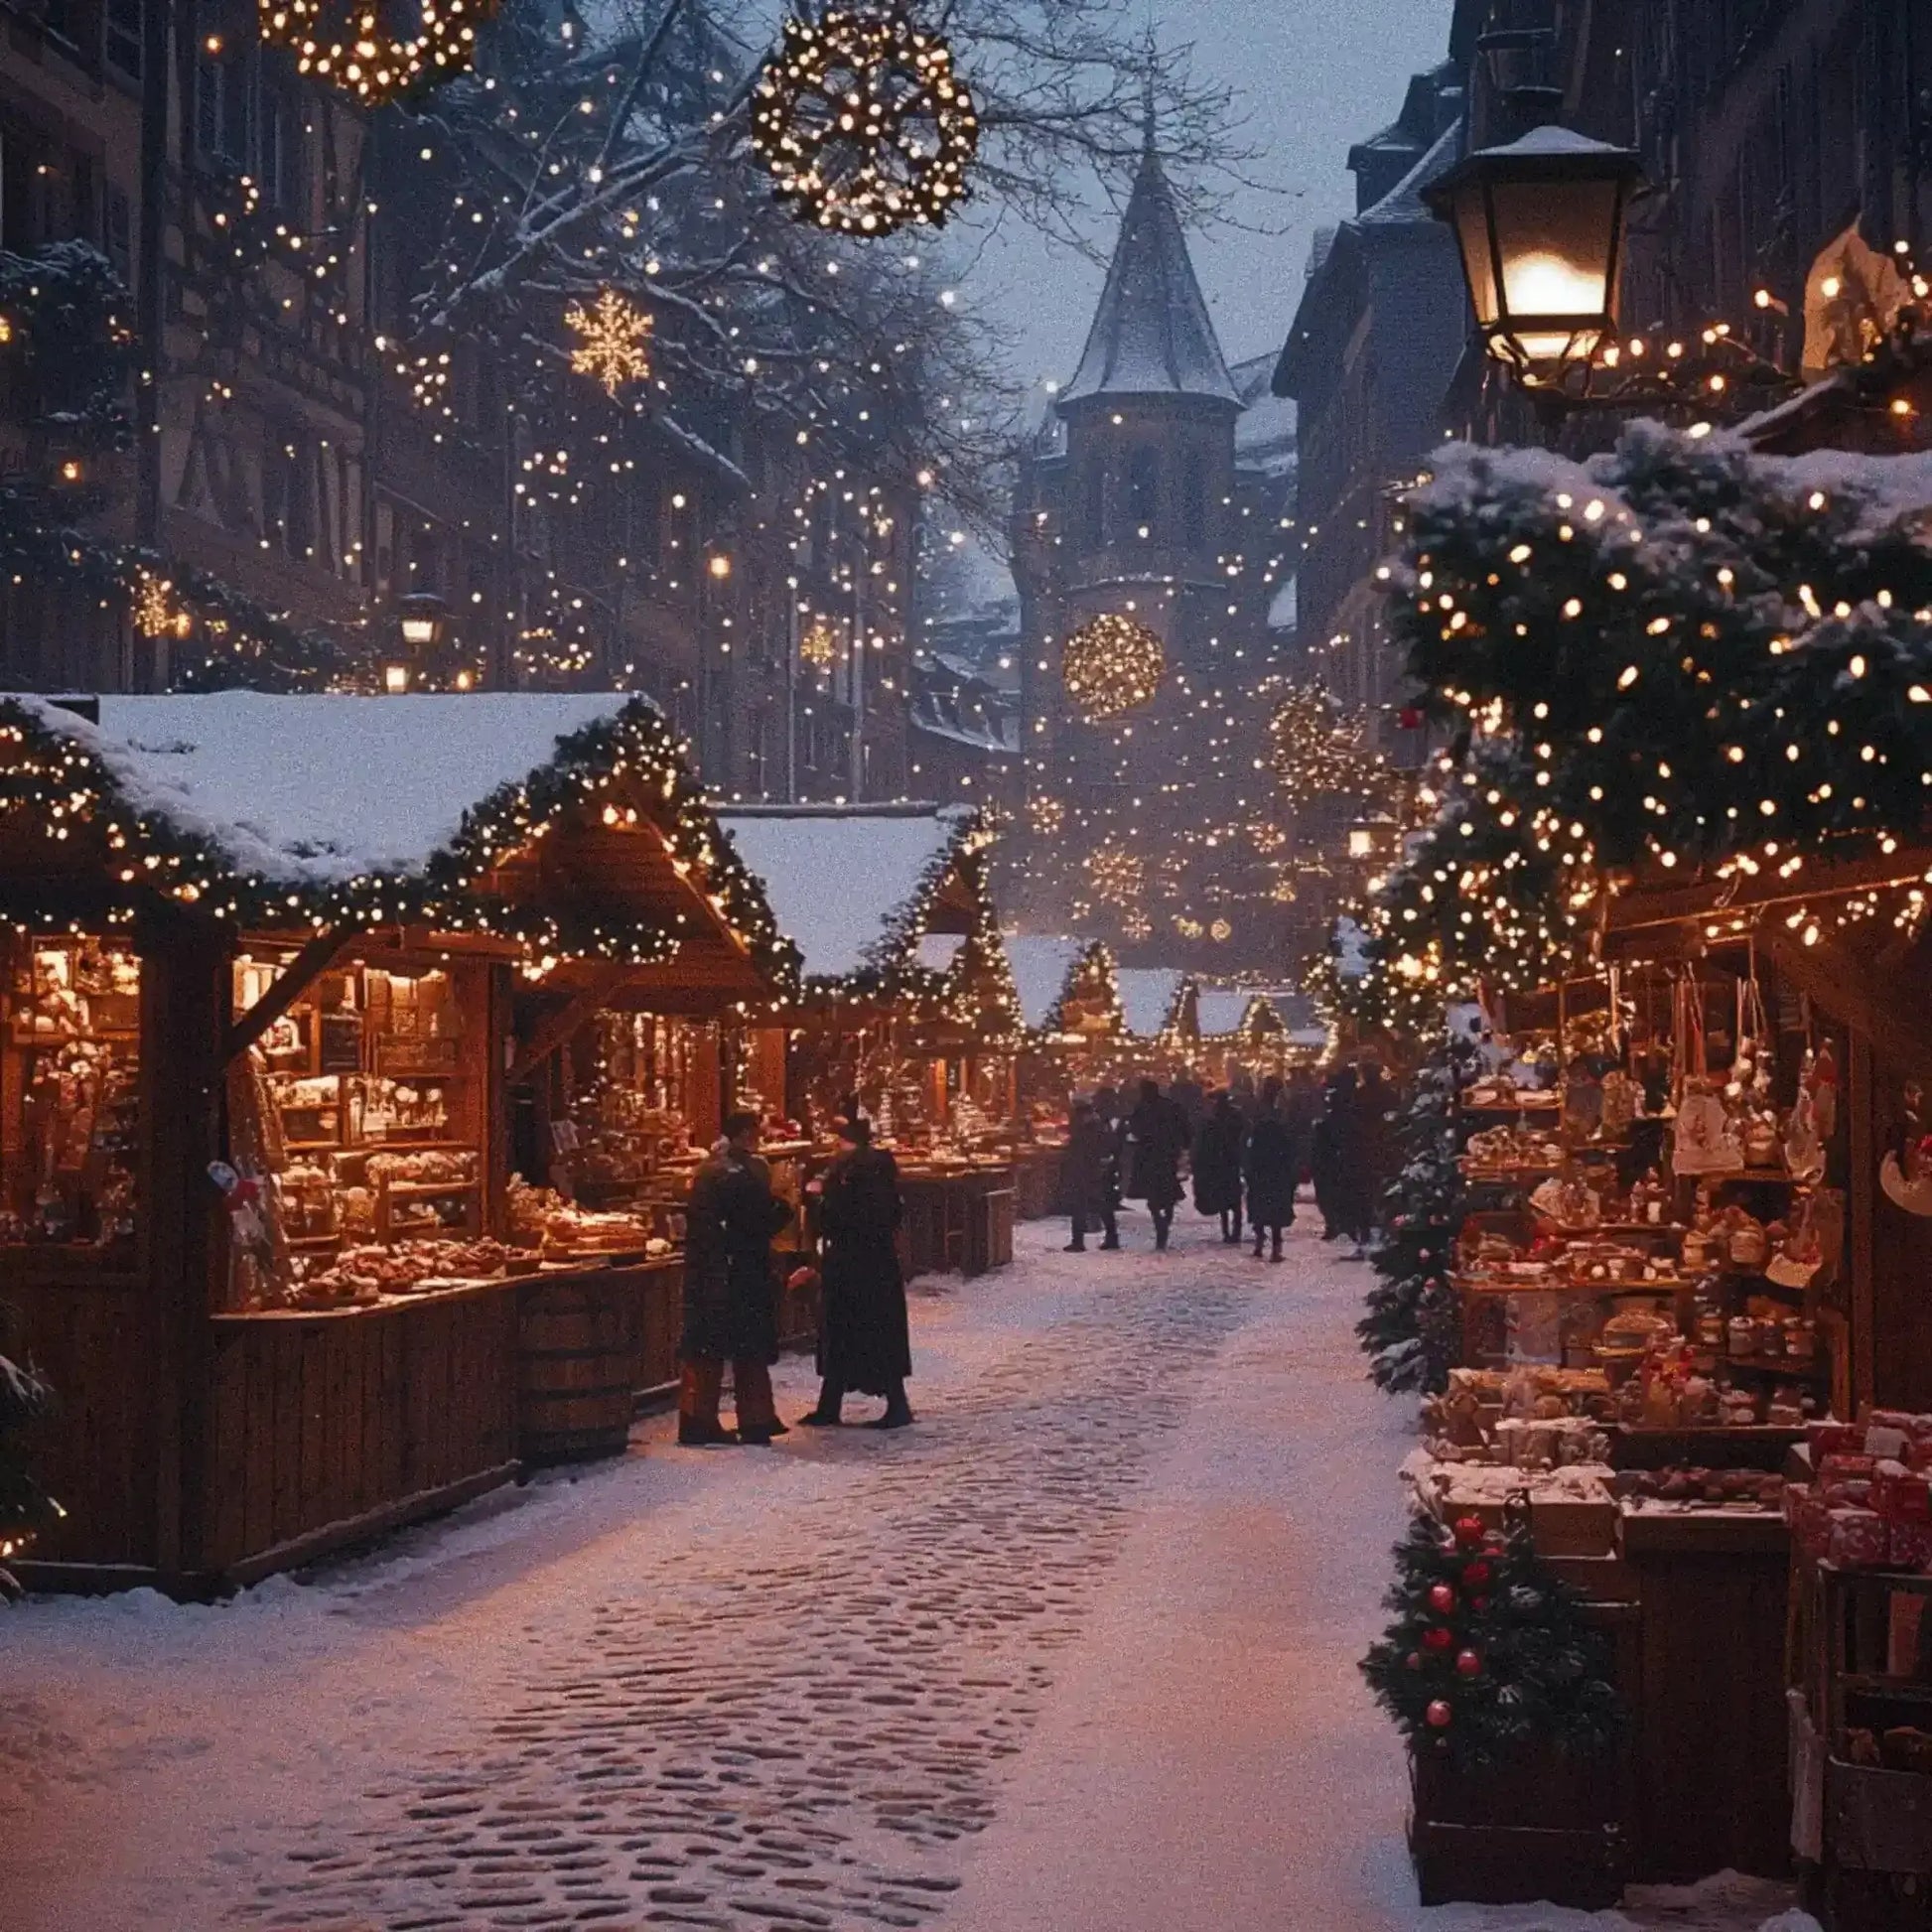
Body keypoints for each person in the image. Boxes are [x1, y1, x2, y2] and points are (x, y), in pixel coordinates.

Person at [678, 1110, 793, 1446]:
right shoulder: (748, 1171)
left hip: (707, 1268)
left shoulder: (707, 1170)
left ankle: (697, 1417)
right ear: (746, 1134)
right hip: (742, 1268)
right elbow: (760, 1219)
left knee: (706, 1348)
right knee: (748, 1345)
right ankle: (754, 1418)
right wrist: (782, 1212)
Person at [801, 1116, 912, 1430]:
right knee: (872, 1331)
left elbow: (849, 1212)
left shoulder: (852, 1173)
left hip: (854, 1261)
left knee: (845, 1330)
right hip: (873, 1262)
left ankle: (839, 1405)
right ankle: (884, 1401)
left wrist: (821, 1195)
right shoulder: (871, 1170)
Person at [1124, 1077, 1188, 1250]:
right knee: (1167, 1190)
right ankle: (1165, 1220)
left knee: (1153, 1195)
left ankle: (1160, 1222)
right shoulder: (1170, 1107)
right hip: (1167, 1155)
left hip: (1148, 1156)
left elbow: (1135, 1130)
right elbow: (1184, 1127)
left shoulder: (1141, 1109)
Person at [1244, 1076, 1299, 1262]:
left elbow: (1249, 1133)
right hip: (1277, 1161)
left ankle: (1260, 1242)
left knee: (1259, 1200)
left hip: (1261, 1160)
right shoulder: (1282, 1111)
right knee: (1275, 1205)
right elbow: (1289, 1136)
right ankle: (1275, 1248)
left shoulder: (1257, 1109)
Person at [1062, 1099, 1119, 1253]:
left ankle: (1078, 1241)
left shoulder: (1087, 1130)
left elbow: (1082, 1149)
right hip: (1096, 1170)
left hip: (1087, 1170)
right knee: (1101, 1205)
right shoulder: (1099, 1127)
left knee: (1081, 1205)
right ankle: (1111, 1237)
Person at [1191, 1092, 1245, 1244]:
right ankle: (1234, 1232)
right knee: (1233, 1200)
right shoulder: (1234, 1116)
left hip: (1220, 1162)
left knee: (1225, 1201)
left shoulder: (1212, 1119)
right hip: (1230, 1160)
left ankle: (1228, 1232)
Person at [1090, 1084, 1125, 1248]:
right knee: (1105, 1199)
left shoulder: (1108, 1120)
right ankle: (1110, 1234)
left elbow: (1110, 1141)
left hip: (1108, 1164)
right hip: (1111, 1163)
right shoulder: (1113, 1118)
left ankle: (1111, 1235)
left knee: (1104, 1199)